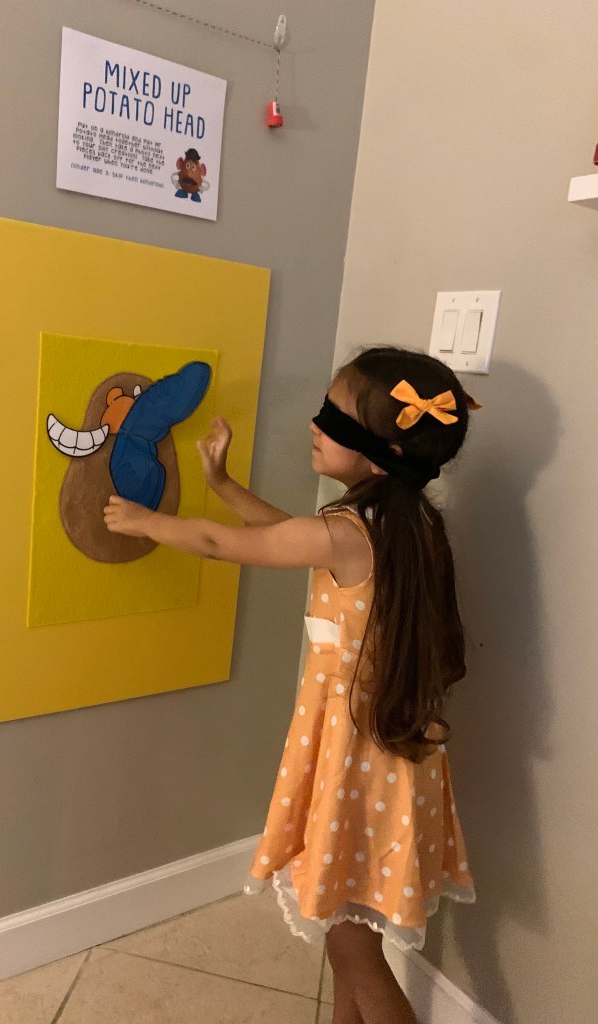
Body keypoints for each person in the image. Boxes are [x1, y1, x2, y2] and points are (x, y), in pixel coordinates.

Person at [104, 345, 477, 1024]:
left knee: (352, 948)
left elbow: (228, 546)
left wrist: (147, 521)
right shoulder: (406, 523)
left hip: (354, 763)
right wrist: (221, 485)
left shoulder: (344, 533)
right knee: (346, 942)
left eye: (331, 416)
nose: (315, 424)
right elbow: (289, 532)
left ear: (373, 452)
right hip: (394, 757)